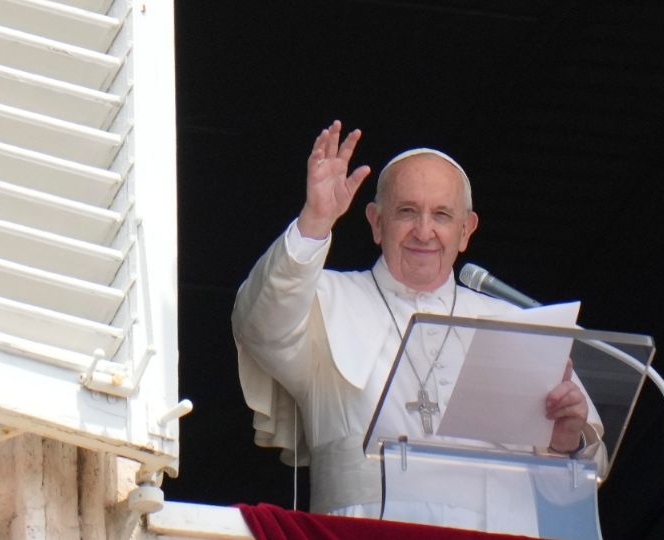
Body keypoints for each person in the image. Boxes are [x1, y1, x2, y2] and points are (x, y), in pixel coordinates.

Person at [231, 120, 607, 534]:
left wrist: (567, 439)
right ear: (376, 222)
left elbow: (577, 477)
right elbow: (260, 323)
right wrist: (315, 220)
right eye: (407, 211)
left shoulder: (512, 323)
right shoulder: (324, 299)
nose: (424, 231)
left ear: (466, 231)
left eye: (442, 215)